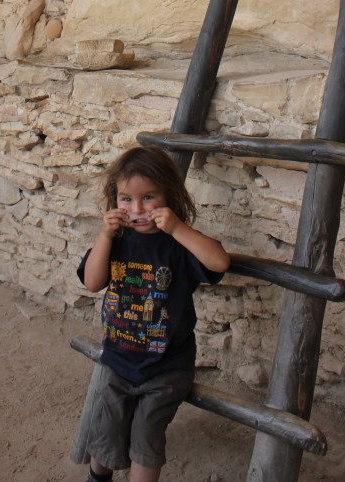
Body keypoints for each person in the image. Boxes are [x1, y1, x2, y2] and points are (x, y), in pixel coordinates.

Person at [70, 146, 230, 482]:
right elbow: (93, 282)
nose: (137, 209)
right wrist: (104, 234)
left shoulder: (178, 244)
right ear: (114, 200)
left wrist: (176, 228)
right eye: (126, 199)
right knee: (106, 432)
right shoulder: (116, 240)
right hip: (118, 359)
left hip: (167, 367)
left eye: (148, 198)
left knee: (146, 438)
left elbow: (219, 262)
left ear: (168, 195)